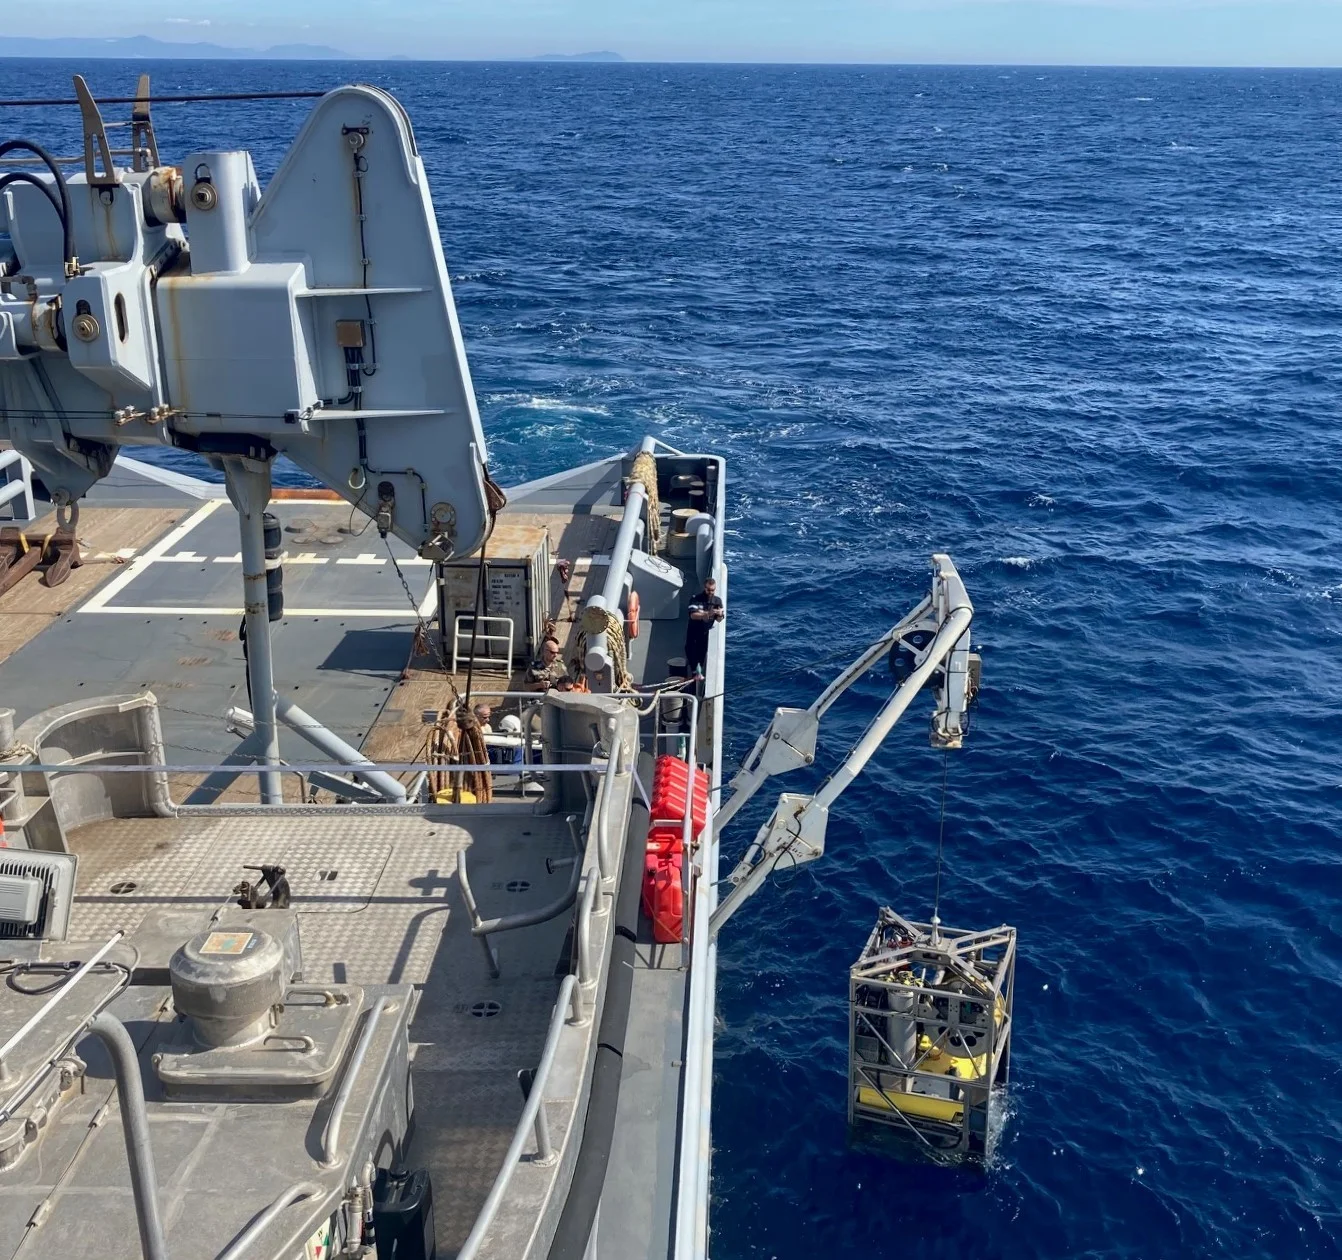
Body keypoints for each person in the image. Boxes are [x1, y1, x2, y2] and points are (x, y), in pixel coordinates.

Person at [684, 577, 723, 678]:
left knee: (701, 653)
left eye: (712, 590)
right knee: (690, 649)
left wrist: (719, 614)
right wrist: (706, 614)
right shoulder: (696, 599)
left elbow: (719, 619)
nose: (710, 592)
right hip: (693, 630)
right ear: (704, 588)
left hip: (705, 632)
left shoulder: (717, 601)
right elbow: (692, 615)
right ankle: (693, 671)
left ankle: (698, 673)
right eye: (708, 589)